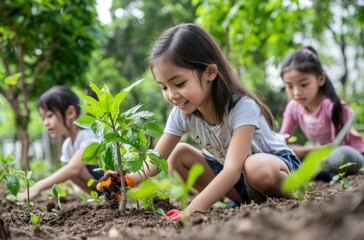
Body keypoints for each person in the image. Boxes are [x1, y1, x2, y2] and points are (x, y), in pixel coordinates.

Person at [127, 23, 301, 221]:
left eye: (179, 84)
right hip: (239, 182)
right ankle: (241, 203)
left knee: (255, 167)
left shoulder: (241, 107)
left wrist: (190, 211)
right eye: (164, 87)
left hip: (274, 169)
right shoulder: (182, 112)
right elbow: (156, 159)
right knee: (178, 155)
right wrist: (129, 179)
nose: (172, 95)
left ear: (210, 72)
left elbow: (232, 169)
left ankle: (293, 201)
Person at [279, 46, 364, 181]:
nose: (296, 92)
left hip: (349, 152)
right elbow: (282, 141)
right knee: (283, 153)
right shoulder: (293, 107)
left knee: (339, 156)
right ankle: (324, 174)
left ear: (320, 79)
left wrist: (303, 152)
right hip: (320, 153)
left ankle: (319, 172)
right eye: (289, 86)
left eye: (304, 84)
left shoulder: (334, 107)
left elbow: (335, 146)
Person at [18, 86, 103, 200]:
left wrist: (38, 187)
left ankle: (111, 196)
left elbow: (74, 168)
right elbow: (71, 171)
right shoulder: (68, 145)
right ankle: (100, 198)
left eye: (49, 116)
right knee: (68, 169)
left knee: (71, 169)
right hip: (100, 186)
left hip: (114, 182)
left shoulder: (87, 135)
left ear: (70, 113)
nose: (46, 123)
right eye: (43, 118)